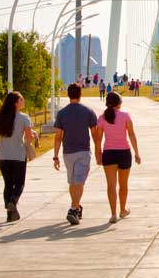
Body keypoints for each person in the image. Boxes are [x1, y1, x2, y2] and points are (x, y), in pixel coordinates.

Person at [0, 91, 34, 222]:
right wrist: (33, 136)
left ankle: (10, 214)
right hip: (18, 155)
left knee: (8, 184)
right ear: (16, 103)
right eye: (22, 100)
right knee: (19, 184)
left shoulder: (0, 117)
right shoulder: (24, 118)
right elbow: (29, 139)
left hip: (3, 156)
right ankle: (12, 201)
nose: (23, 101)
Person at [53, 83, 98, 225]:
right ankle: (73, 209)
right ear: (80, 94)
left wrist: (55, 155)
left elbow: (58, 136)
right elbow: (95, 133)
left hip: (68, 153)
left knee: (72, 182)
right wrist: (98, 150)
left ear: (68, 95)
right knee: (78, 181)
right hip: (83, 151)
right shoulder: (88, 111)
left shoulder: (62, 113)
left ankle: (77, 207)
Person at [95, 92, 141, 223]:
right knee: (123, 184)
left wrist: (98, 155)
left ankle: (113, 214)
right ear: (119, 103)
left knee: (111, 185)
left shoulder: (102, 118)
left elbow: (98, 139)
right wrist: (137, 152)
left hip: (109, 154)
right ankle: (123, 210)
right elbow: (131, 135)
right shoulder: (125, 116)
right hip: (124, 153)